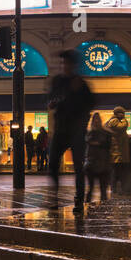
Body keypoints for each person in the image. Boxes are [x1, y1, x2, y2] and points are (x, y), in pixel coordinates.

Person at [48, 52, 92, 213]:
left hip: (76, 131)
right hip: (60, 129)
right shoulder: (57, 81)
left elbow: (90, 104)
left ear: (72, 65)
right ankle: (54, 197)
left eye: (66, 63)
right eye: (62, 64)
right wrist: (52, 102)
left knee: (78, 167)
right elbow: (50, 98)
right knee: (52, 163)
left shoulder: (81, 83)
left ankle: (79, 199)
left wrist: (82, 125)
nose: (64, 66)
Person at [84, 111, 112, 203]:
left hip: (103, 164)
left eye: (97, 119)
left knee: (103, 190)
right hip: (92, 164)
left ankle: (103, 209)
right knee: (91, 189)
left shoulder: (105, 133)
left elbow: (108, 146)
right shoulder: (90, 133)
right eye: (94, 120)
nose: (96, 121)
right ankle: (87, 208)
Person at [105, 107, 131, 194]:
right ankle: (116, 189)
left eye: (123, 113)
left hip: (119, 152)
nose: (123, 115)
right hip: (117, 153)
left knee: (118, 172)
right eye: (121, 113)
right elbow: (122, 127)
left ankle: (116, 188)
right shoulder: (115, 121)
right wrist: (125, 121)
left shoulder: (114, 120)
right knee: (117, 172)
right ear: (117, 113)